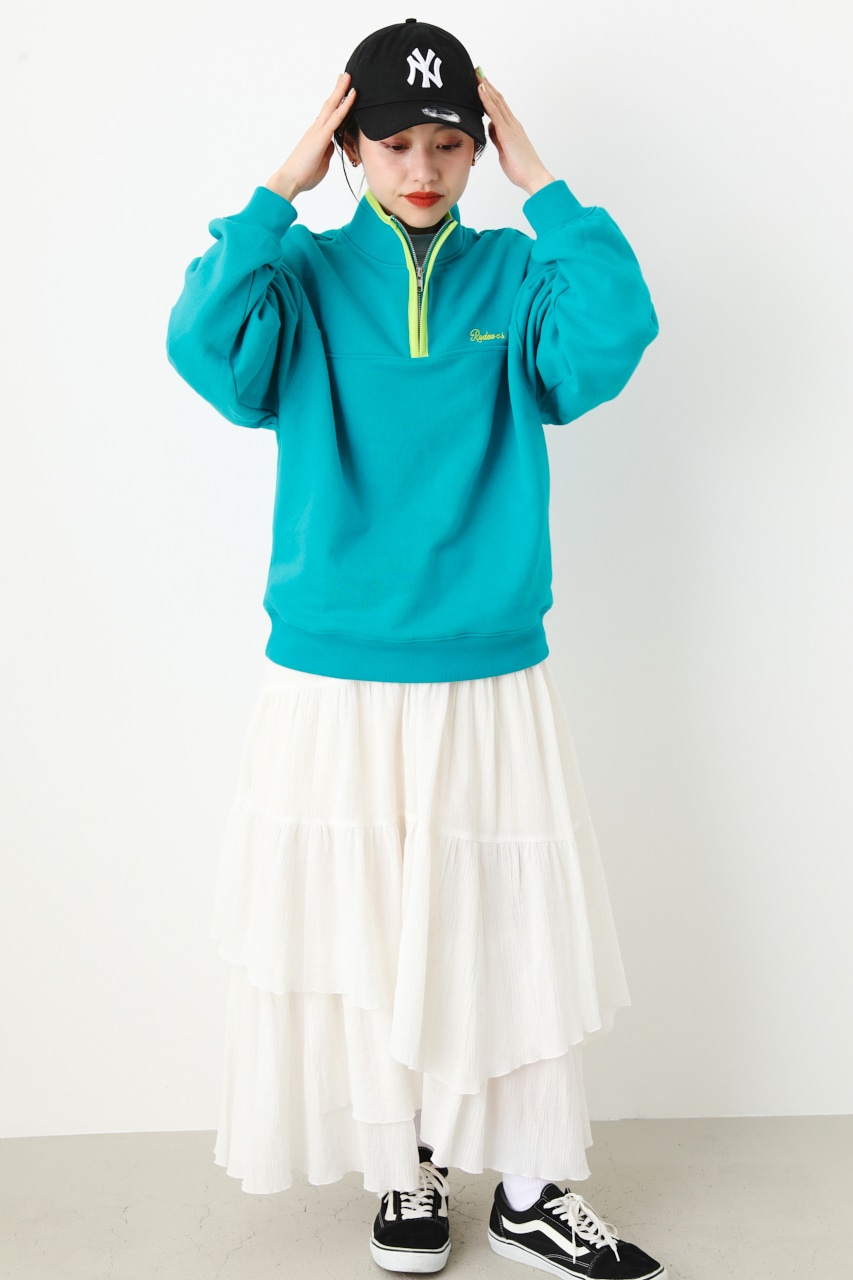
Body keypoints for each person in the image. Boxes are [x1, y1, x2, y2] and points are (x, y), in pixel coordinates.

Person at [166, 17, 663, 1280]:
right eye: (392, 144)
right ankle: (406, 1167)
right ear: (352, 148)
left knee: (502, 922)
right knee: (363, 925)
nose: (423, 169)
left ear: (477, 148)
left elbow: (610, 340)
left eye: (448, 143)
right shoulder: (297, 278)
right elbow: (207, 354)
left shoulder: (516, 272)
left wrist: (543, 181)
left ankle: (531, 1186)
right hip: (333, 663)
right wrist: (276, 190)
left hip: (486, 659)